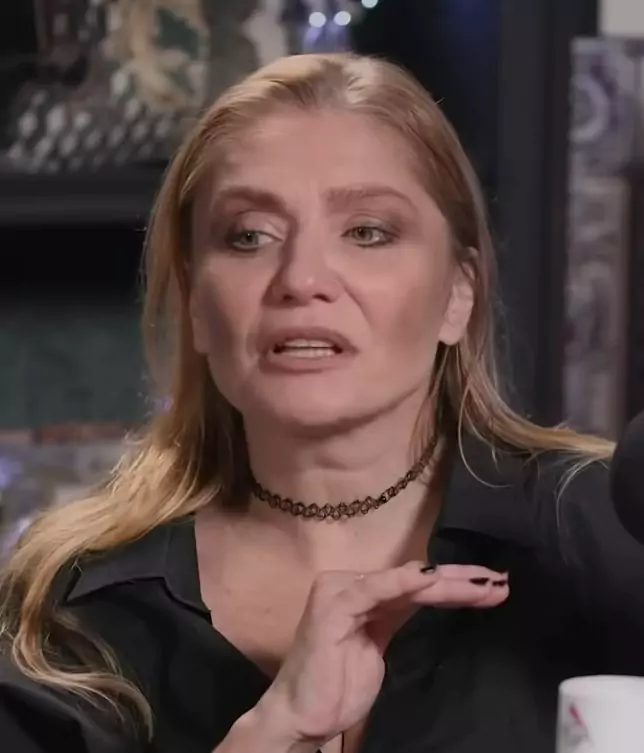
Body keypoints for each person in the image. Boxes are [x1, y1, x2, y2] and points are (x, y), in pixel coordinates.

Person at [0, 52, 642, 753]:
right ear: (196, 305)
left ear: (458, 294)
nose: (301, 279)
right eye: (250, 236)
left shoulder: (604, 531)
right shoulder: (67, 605)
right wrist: (269, 734)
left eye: (367, 231)